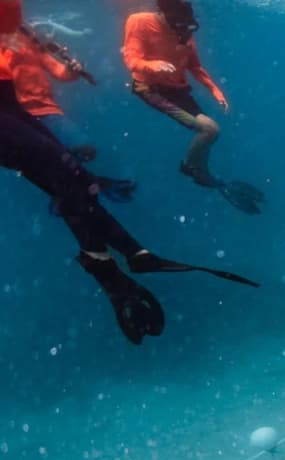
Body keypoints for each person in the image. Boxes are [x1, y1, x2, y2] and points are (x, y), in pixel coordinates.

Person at [1, 0, 258, 345]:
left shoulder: (20, 40)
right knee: (69, 176)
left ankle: (133, 256)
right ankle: (111, 267)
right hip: (12, 108)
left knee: (77, 180)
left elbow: (11, 21)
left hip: (9, 104)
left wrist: (64, 64)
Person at [122, 0, 264, 214]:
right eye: (177, 25)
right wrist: (152, 66)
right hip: (149, 87)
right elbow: (131, 59)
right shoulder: (139, 22)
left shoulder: (184, 27)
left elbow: (194, 66)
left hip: (177, 89)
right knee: (210, 129)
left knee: (210, 132)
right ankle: (191, 167)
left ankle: (201, 171)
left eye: (185, 26)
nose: (182, 31)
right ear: (162, 13)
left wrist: (215, 91)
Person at [1, 22, 135, 202]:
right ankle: (80, 191)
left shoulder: (28, 36)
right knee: (53, 156)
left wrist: (72, 69)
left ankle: (75, 190)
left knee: (84, 150)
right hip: (17, 115)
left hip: (46, 108)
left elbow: (58, 71)